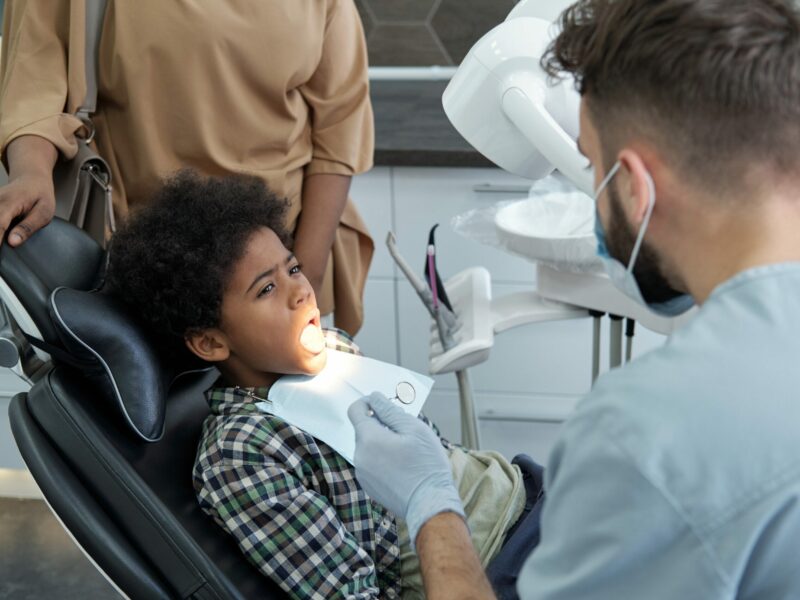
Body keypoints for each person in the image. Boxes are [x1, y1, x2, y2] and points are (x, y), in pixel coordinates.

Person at [347, 0, 800, 598]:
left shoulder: (646, 435)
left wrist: (431, 506)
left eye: (590, 164)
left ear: (636, 187)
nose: (590, 186)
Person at [105, 169, 542, 600]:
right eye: (266, 289)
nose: (301, 292)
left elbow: (439, 456)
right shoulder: (243, 453)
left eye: (293, 268)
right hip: (496, 565)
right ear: (210, 341)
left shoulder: (336, 348)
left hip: (526, 490)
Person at [0, 0, 373, 334]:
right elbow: (33, 81)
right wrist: (30, 172)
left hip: (276, 259)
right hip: (136, 268)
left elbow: (338, 134)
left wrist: (300, 279)